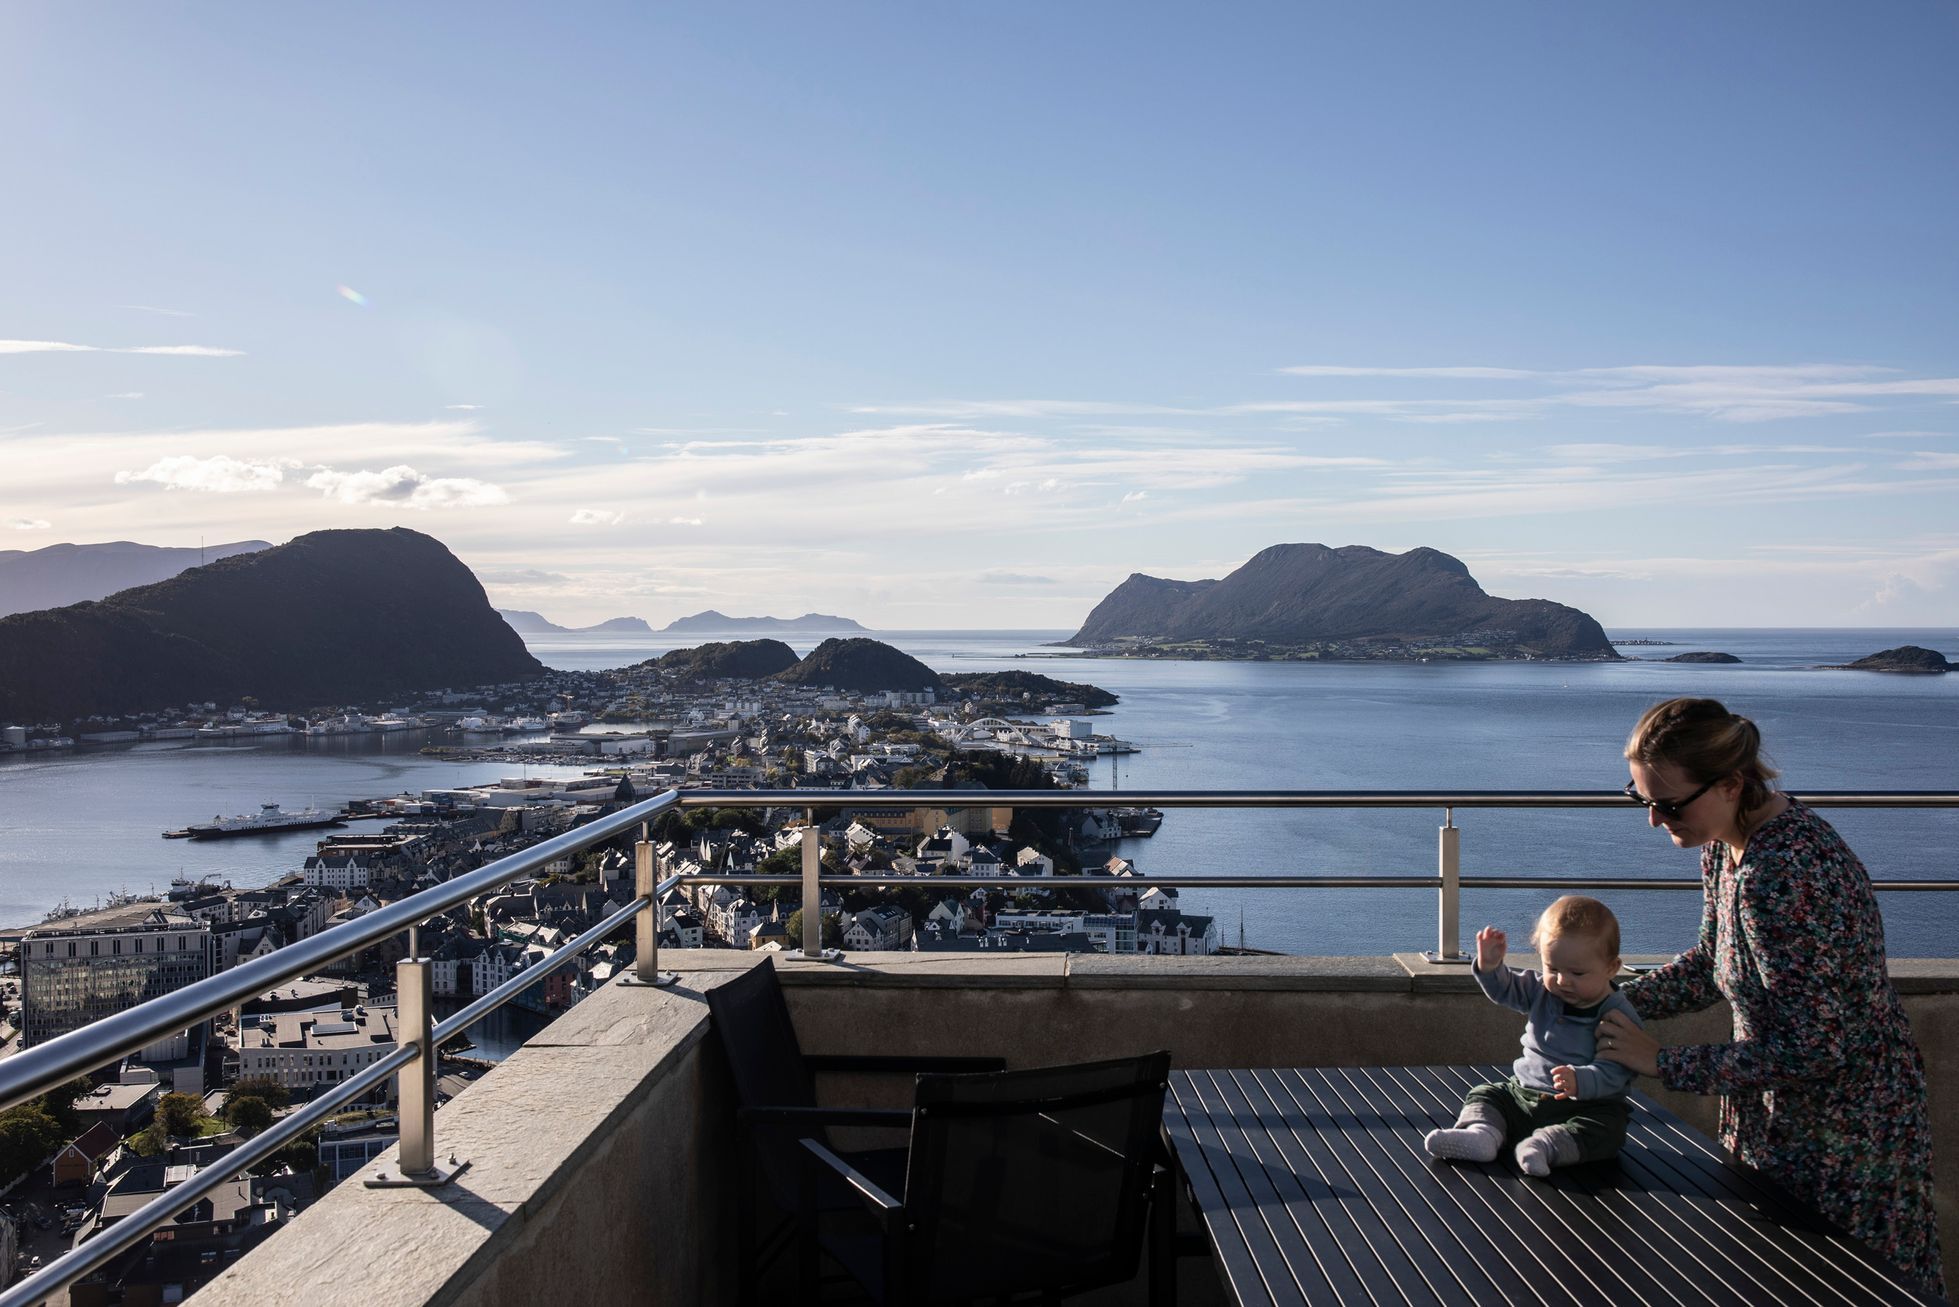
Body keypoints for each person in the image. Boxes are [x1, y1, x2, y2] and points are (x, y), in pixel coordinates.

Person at [1600, 697, 1943, 1295]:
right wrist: (1608, 1000)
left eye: (1667, 803)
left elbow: (1813, 1049)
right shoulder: (1726, 844)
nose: (1655, 819)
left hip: (1844, 1140)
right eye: (1641, 799)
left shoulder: (1783, 872)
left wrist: (1660, 1061)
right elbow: (1712, 964)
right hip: (1782, 1122)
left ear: (1732, 783)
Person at [1425, 895, 1643, 1175]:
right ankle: (1483, 1134)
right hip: (1524, 1096)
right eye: (1552, 968)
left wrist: (1582, 1079)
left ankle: (1545, 1146)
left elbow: (1618, 1069)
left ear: (1611, 968)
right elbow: (1507, 990)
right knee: (1487, 1094)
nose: (1563, 980)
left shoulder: (1616, 1014)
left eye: (1577, 972)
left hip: (1586, 1106)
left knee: (1607, 1129)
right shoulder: (1542, 990)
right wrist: (1491, 967)